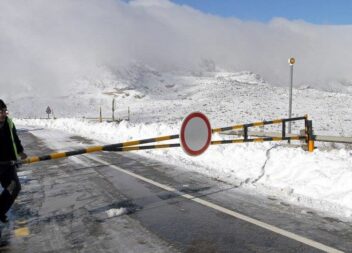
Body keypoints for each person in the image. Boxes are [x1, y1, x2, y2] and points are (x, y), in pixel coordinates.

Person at [0, 99, 27, 223]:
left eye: (4, 111)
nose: (3, 114)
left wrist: (20, 152)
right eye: (0, 112)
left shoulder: (9, 123)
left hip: (9, 164)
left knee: (14, 187)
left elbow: (15, 138)